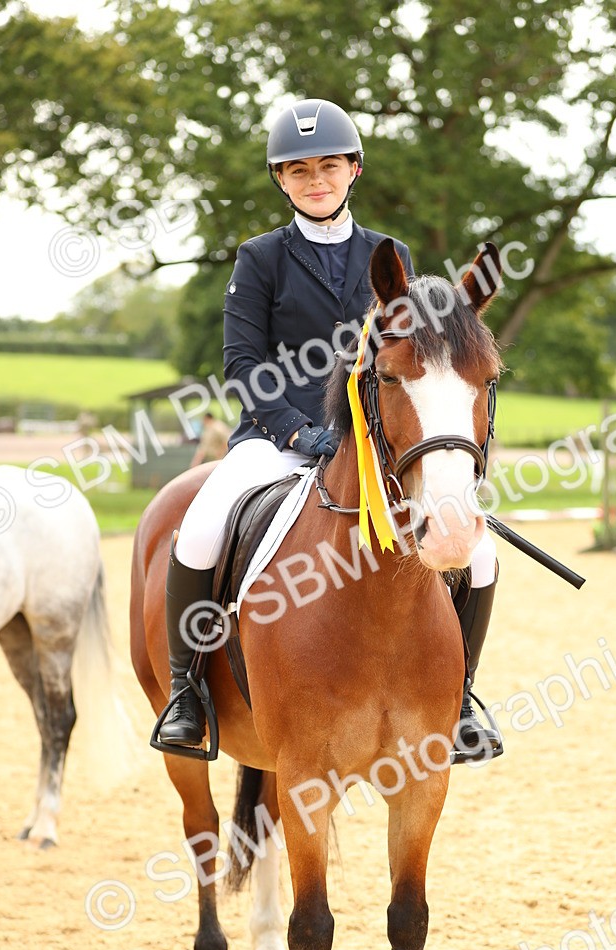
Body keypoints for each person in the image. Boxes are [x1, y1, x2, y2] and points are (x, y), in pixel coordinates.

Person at [154, 98, 502, 765]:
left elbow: (418, 361)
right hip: (273, 439)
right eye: (299, 170)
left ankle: (461, 699)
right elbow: (243, 365)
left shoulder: (388, 257)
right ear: (282, 181)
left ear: (354, 171)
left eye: (330, 166)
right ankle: (186, 692)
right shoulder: (260, 259)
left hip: (374, 446)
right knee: (201, 527)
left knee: (479, 553)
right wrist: (293, 433)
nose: (316, 179)